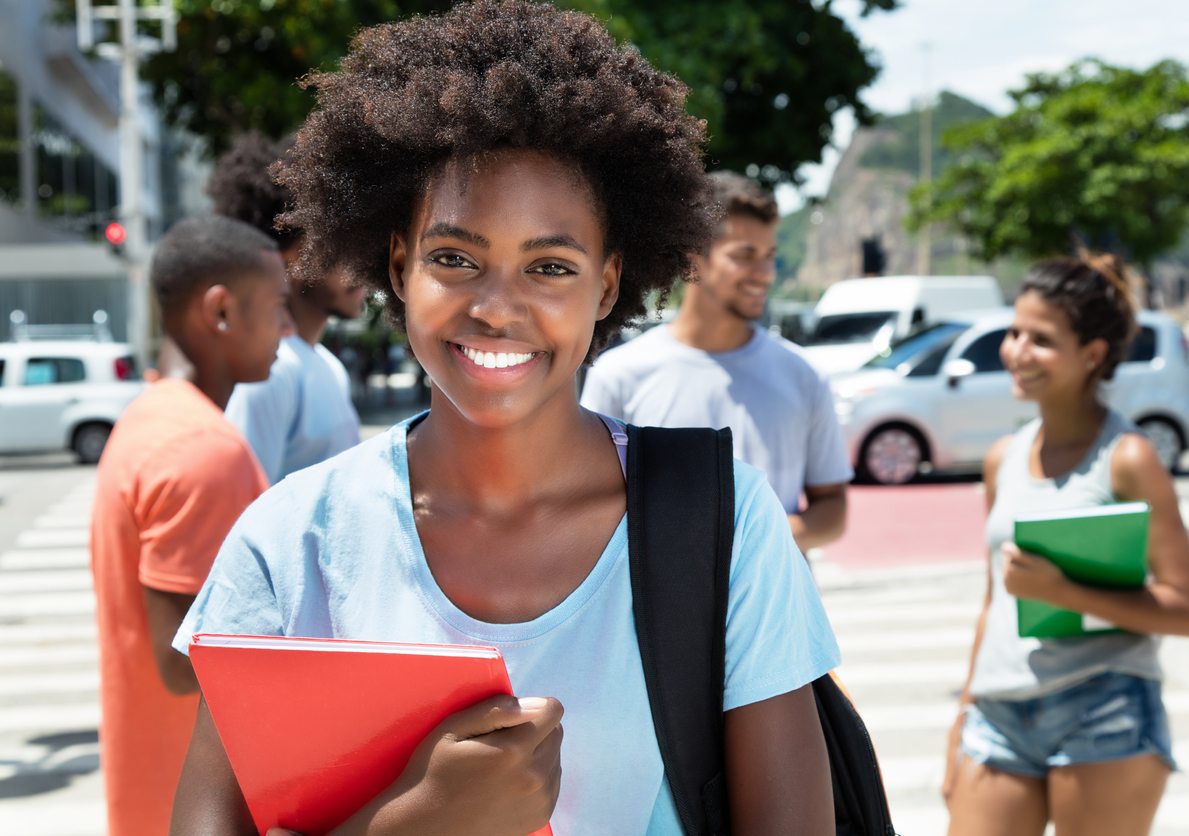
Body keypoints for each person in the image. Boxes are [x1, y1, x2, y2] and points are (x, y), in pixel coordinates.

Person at [168, 3, 841, 834]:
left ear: (605, 286)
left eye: (550, 267)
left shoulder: (723, 523)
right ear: (399, 264)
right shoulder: (289, 542)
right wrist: (420, 822)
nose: (497, 308)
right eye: (455, 259)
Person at [944, 256, 1189, 836]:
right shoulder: (1002, 458)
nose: (1015, 351)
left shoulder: (1129, 458)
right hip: (997, 713)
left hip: (1104, 707)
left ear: (1092, 354)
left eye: (1041, 340)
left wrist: (1062, 592)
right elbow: (995, 604)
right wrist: (960, 721)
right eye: (1015, 332)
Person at [89, 215, 289, 836]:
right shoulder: (202, 449)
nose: (287, 327)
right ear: (222, 311)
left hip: (157, 792)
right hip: (202, 805)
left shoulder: (151, 418)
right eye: (278, 305)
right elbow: (186, 663)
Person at [581, 171, 852, 552]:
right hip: (655, 610)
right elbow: (586, 505)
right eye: (744, 256)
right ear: (695, 260)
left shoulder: (804, 375)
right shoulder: (619, 375)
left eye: (770, 257)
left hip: (779, 609)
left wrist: (750, 543)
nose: (764, 273)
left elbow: (832, 507)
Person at [209, 132, 367, 484]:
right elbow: (245, 509)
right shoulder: (272, 373)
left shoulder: (326, 364)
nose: (360, 266)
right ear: (288, 261)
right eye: (339, 248)